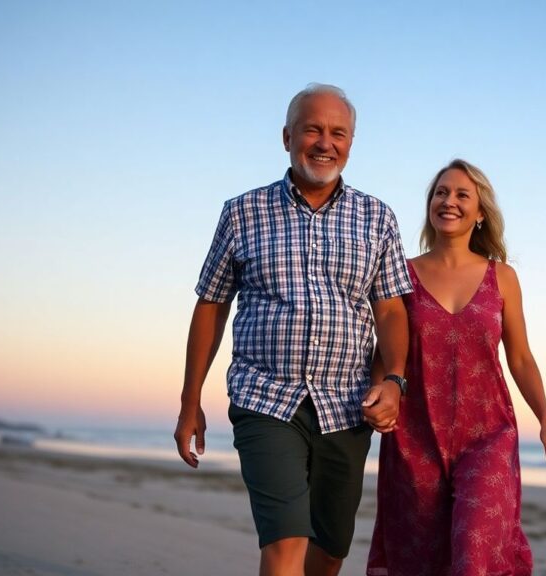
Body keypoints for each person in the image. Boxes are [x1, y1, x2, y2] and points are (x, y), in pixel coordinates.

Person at [174, 83, 412, 576]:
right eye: (313, 129)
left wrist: (393, 380)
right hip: (265, 397)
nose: (325, 143)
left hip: (347, 406)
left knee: (329, 550)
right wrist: (189, 399)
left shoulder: (378, 217)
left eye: (338, 133)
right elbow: (211, 305)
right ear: (287, 137)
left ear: (350, 144)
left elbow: (390, 311)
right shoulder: (243, 212)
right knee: (286, 541)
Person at [367, 159, 546, 575]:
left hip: (488, 434)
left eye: (462, 194)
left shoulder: (502, 277)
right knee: (422, 558)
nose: (449, 201)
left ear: (480, 213)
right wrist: (377, 397)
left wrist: (545, 418)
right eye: (441, 193)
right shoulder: (401, 274)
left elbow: (521, 357)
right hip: (415, 436)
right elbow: (385, 351)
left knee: (475, 554)